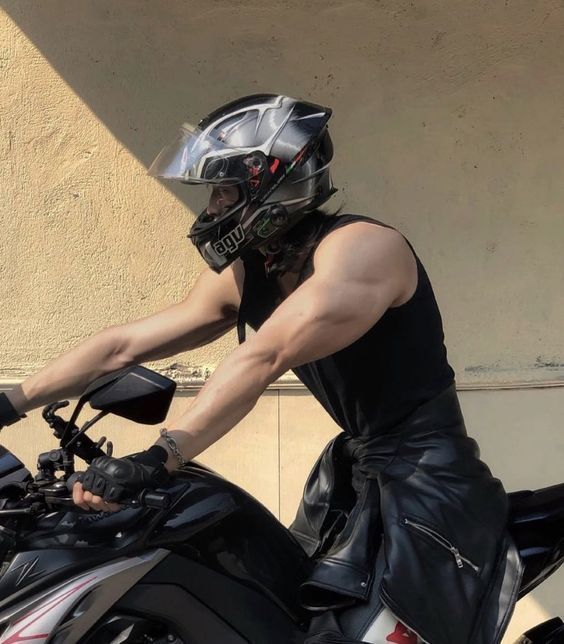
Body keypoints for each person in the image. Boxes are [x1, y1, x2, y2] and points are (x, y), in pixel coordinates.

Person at [0, 94, 521, 644]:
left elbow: (262, 357)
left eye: (224, 191)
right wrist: (12, 402)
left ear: (271, 184)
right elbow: (123, 345)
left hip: (427, 477)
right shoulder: (259, 268)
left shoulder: (363, 249)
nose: (212, 208)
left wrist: (161, 456)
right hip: (356, 471)